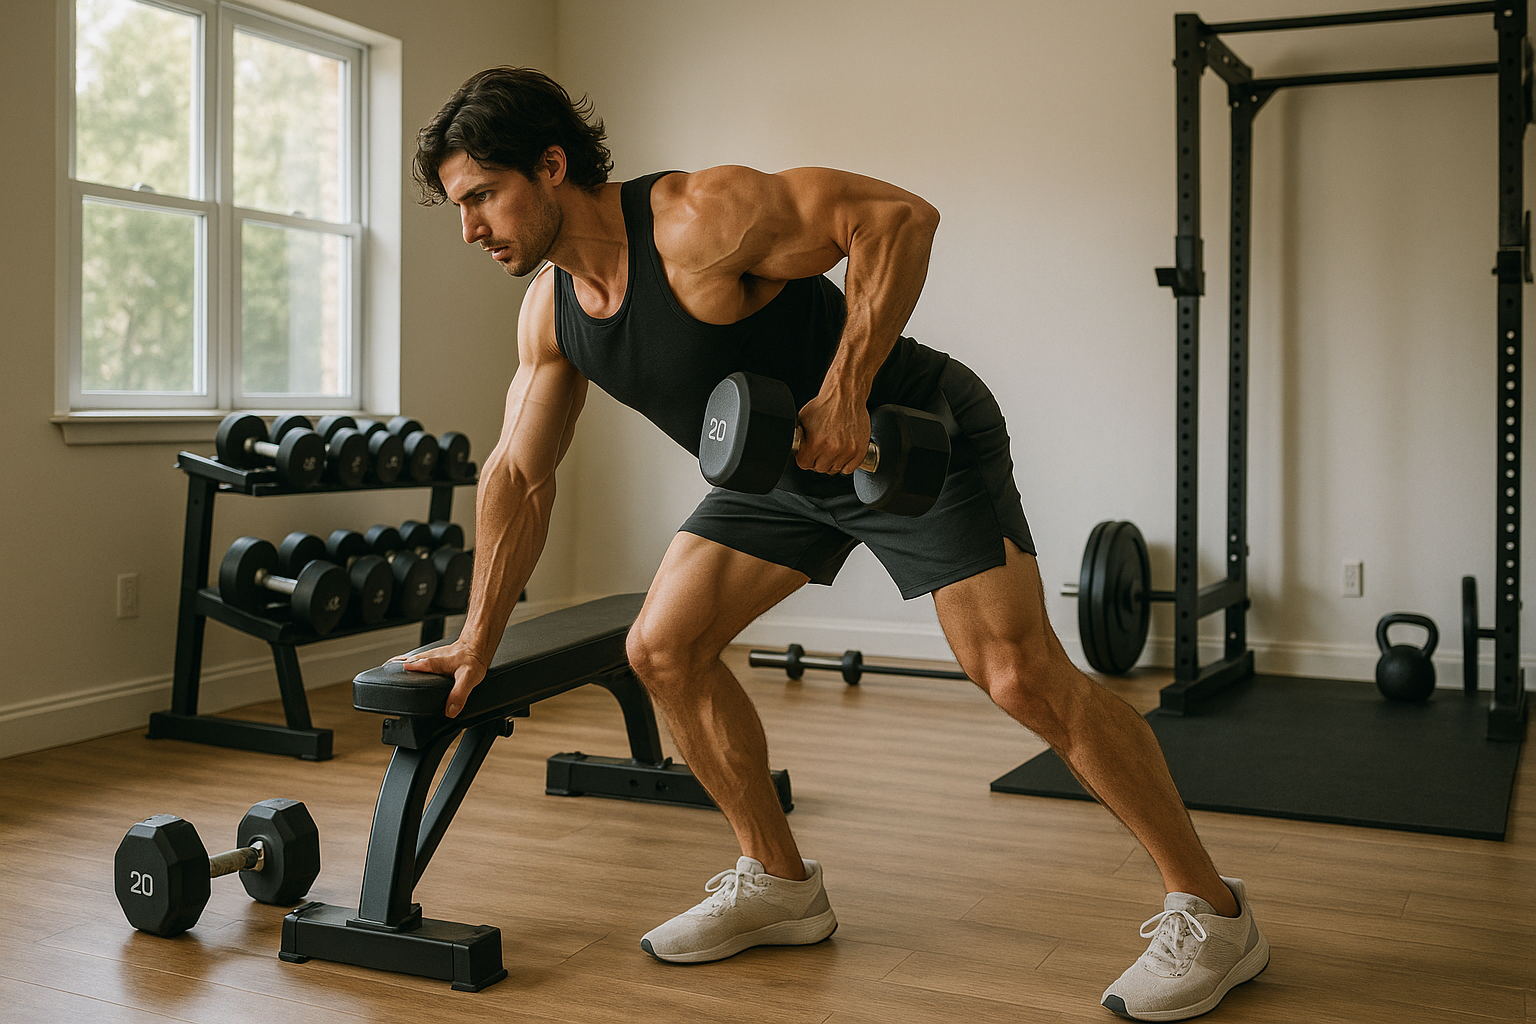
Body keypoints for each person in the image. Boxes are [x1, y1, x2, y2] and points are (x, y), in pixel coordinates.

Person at [399, 67, 1269, 1022]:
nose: (472, 228)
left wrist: (846, 385)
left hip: (905, 434)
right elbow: (520, 477)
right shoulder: (552, 313)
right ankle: (779, 885)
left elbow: (897, 219)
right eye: (459, 207)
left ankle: (1213, 913)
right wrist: (478, 636)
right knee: (663, 649)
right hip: (775, 476)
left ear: (552, 166)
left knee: (1017, 673)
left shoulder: (699, 217)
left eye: (482, 196)